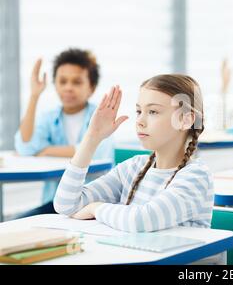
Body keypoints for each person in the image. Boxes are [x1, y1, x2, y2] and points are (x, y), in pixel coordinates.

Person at [54, 75, 213, 232]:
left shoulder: (196, 176)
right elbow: (66, 205)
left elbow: (144, 220)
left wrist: (95, 209)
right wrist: (92, 137)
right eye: (139, 111)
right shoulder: (133, 168)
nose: (140, 121)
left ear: (185, 120)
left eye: (153, 112)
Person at [14, 49, 113, 217]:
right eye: (62, 81)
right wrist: (34, 96)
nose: (68, 88)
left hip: (92, 202)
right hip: (56, 204)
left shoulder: (101, 115)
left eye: (77, 82)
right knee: (14, 223)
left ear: (91, 88)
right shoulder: (49, 117)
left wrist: (46, 151)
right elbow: (25, 147)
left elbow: (97, 151)